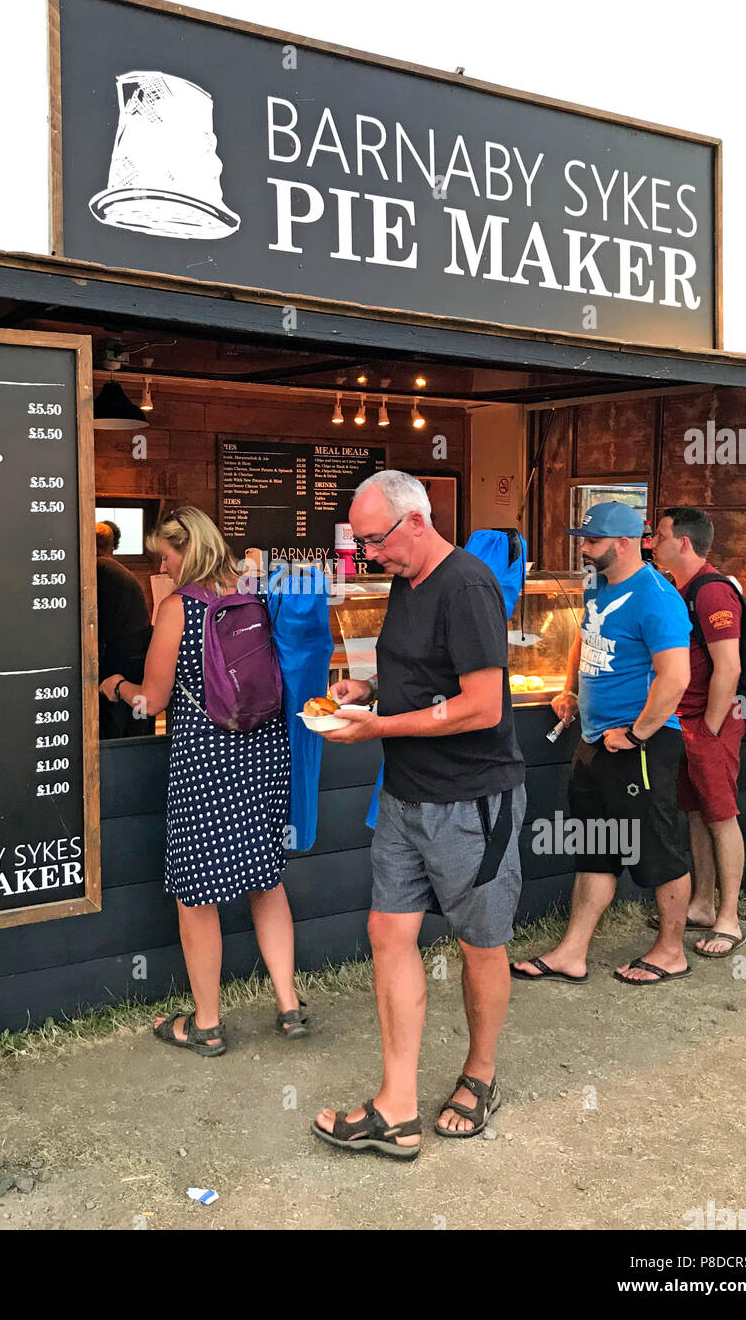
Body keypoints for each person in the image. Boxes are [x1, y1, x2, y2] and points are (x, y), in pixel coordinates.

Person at [310, 470, 526, 1159]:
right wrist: (365, 689)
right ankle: (395, 1107)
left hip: (470, 801)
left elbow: (482, 707)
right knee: (386, 933)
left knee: (478, 943)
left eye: (374, 539)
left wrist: (377, 729)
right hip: (404, 796)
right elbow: (417, 673)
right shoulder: (406, 581)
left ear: (413, 521)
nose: (369, 554)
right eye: (361, 542)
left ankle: (479, 1075)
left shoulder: (466, 586)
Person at [100, 507, 305, 1054]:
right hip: (264, 751)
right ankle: (288, 1005)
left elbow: (154, 699)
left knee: (196, 894)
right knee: (266, 879)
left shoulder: (179, 608)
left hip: (207, 760)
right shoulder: (257, 592)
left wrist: (116, 686)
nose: (161, 565)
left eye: (164, 555)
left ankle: (207, 1024)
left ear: (185, 549)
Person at [511, 501, 693, 987]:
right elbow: (584, 637)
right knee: (596, 849)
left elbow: (675, 678)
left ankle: (672, 950)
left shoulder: (657, 596)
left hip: (641, 748)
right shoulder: (596, 586)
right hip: (595, 742)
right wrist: (569, 688)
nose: (584, 548)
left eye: (592, 541)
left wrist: (636, 734)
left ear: (625, 543)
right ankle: (572, 953)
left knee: (660, 849)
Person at [651, 508, 746, 958]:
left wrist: (709, 727)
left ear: (683, 543)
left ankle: (730, 917)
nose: (653, 542)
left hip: (709, 724)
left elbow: (729, 667)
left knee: (721, 816)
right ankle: (703, 904)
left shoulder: (711, 593)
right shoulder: (678, 588)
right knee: (695, 813)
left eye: (660, 535)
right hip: (684, 723)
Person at [94, 522, 154, 739]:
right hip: (138, 662)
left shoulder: (98, 571)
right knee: (137, 731)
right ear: (112, 547)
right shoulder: (117, 571)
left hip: (118, 664)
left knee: (115, 733)